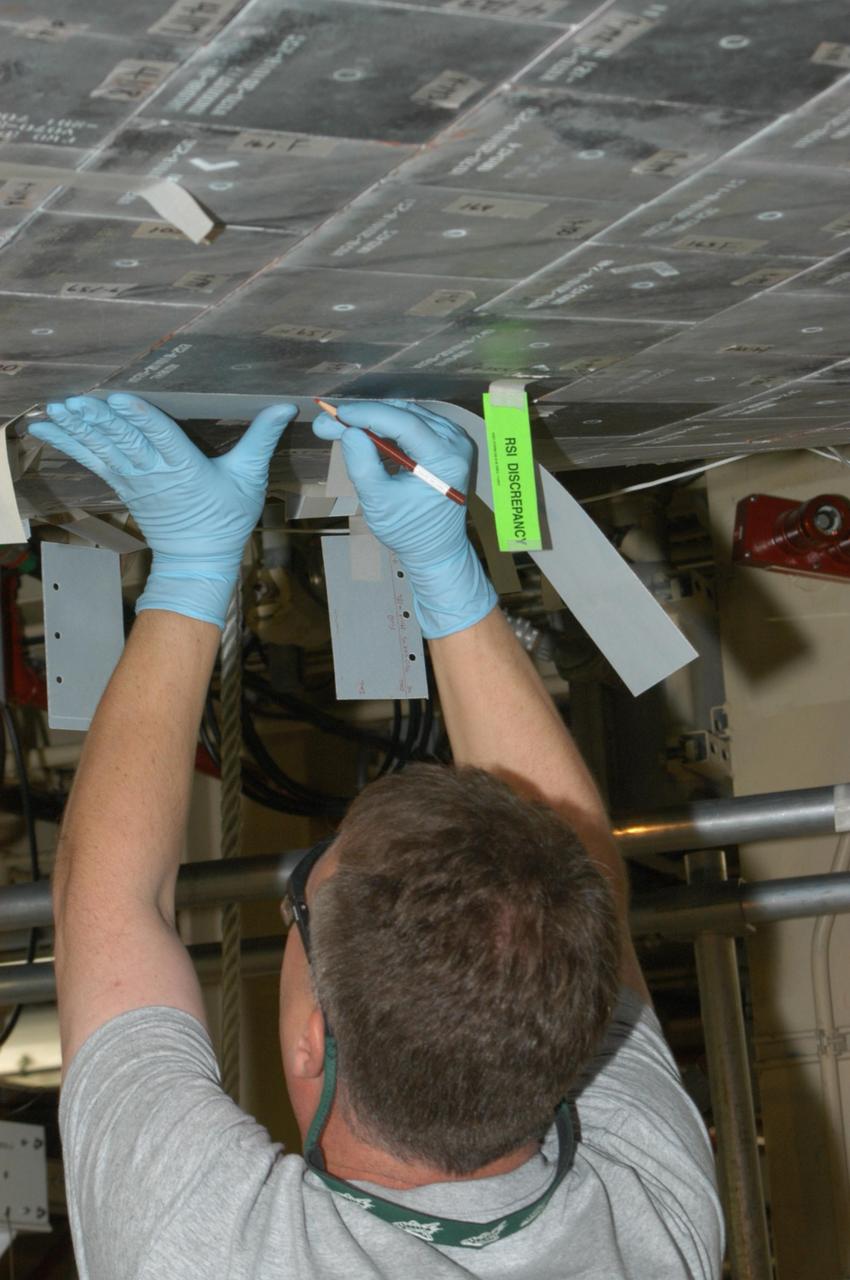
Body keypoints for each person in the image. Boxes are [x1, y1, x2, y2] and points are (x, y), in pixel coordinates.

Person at [29, 394, 723, 1279]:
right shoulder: (199, 1248)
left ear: (317, 1036)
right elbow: (108, 904)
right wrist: (195, 568)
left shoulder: (660, 1234)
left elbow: (589, 885)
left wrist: (433, 565)